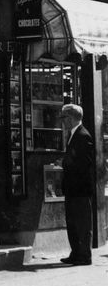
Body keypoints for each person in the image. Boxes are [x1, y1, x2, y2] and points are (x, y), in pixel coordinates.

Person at [58, 104, 94, 266]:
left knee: (82, 223)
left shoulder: (83, 135)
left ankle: (84, 255)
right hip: (73, 188)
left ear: (71, 118)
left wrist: (65, 163)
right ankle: (76, 253)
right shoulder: (74, 135)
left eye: (64, 118)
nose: (62, 121)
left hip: (80, 189)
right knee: (72, 222)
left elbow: (84, 163)